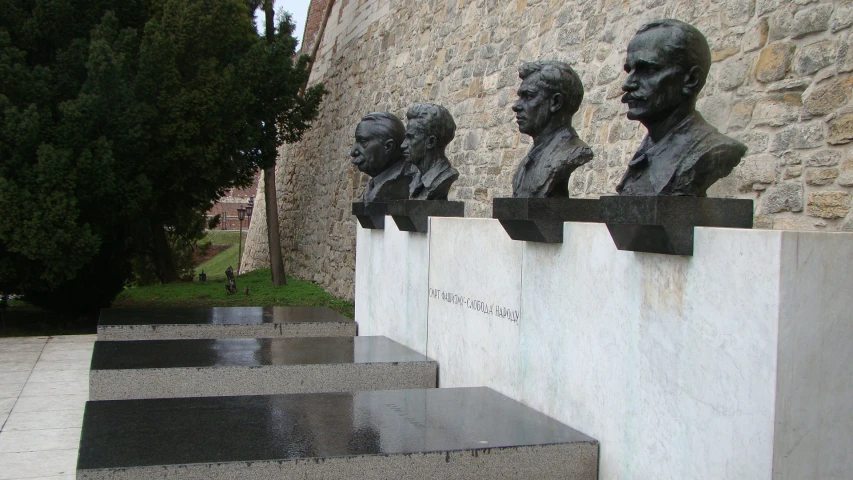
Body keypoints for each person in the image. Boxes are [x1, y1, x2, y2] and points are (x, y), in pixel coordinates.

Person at [617, 19, 747, 196]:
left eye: (648, 70)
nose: (628, 84)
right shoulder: (647, 150)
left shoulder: (712, 150)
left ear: (691, 80)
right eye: (629, 70)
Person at [511, 61, 593, 198]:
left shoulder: (569, 153)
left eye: (529, 96)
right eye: (520, 97)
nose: (516, 106)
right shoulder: (528, 162)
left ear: (555, 102)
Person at [350, 112, 418, 203]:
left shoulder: (406, 181)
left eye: (363, 142)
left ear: (388, 146)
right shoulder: (375, 183)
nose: (353, 152)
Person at [401, 104, 459, 200]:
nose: (403, 145)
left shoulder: (442, 179)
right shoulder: (415, 181)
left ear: (431, 142)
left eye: (410, 137)